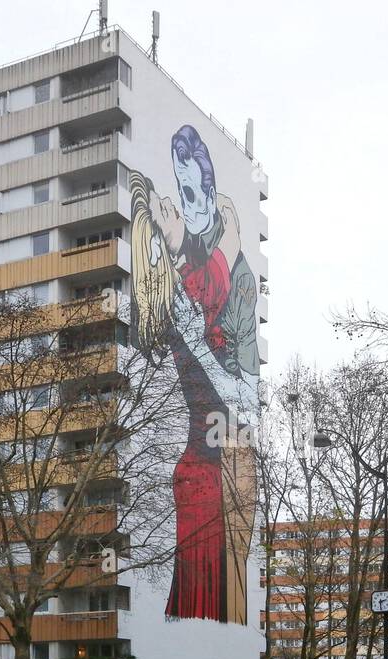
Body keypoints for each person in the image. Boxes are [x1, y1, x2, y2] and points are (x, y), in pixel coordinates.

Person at [128, 152, 258, 626]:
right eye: (169, 209)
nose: (176, 208)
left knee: (218, 598)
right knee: (224, 598)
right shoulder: (185, 299)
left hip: (203, 468)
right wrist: (233, 238)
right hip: (211, 474)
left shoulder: (165, 302)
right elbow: (218, 282)